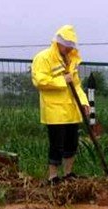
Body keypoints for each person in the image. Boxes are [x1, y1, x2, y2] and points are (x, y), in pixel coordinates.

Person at [31, 25, 90, 184]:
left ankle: (68, 174)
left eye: (72, 46)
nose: (70, 48)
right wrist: (62, 81)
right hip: (55, 111)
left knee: (72, 143)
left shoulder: (71, 59)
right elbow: (39, 81)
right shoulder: (43, 58)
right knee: (56, 144)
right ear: (59, 42)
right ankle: (53, 177)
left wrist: (84, 102)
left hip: (71, 110)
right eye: (67, 45)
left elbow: (76, 85)